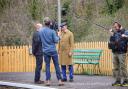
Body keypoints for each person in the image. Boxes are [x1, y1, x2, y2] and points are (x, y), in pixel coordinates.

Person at [39, 17, 63, 86]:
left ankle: (48, 81)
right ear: (50, 23)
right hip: (53, 50)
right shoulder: (52, 31)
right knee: (56, 65)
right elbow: (56, 41)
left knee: (47, 66)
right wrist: (58, 36)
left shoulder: (40, 31)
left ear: (44, 23)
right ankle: (59, 80)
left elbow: (40, 40)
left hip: (45, 51)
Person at [108, 22, 128, 87]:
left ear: (120, 26)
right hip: (115, 52)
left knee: (123, 67)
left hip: (122, 52)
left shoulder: (125, 32)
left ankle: (126, 81)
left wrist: (125, 36)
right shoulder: (115, 33)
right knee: (116, 68)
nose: (115, 28)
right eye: (114, 27)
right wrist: (111, 35)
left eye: (116, 26)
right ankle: (118, 81)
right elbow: (112, 42)